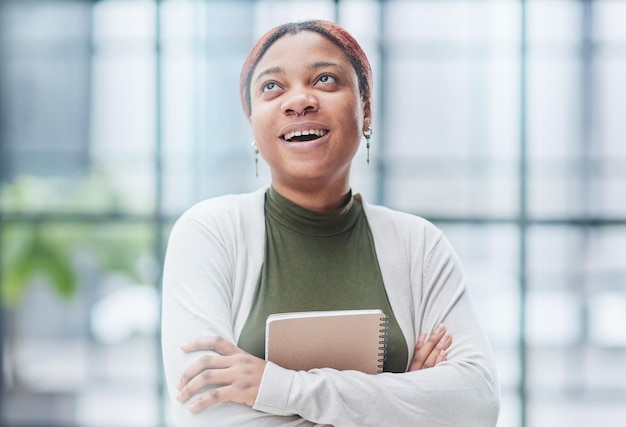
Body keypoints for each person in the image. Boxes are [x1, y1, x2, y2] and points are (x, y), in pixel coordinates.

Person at [161, 20, 500, 426]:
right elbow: (207, 413)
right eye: (272, 87)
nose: (299, 101)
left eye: (324, 79)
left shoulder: (419, 245)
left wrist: (276, 387)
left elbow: (475, 404)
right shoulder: (208, 234)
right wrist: (401, 399)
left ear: (366, 108)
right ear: (251, 121)